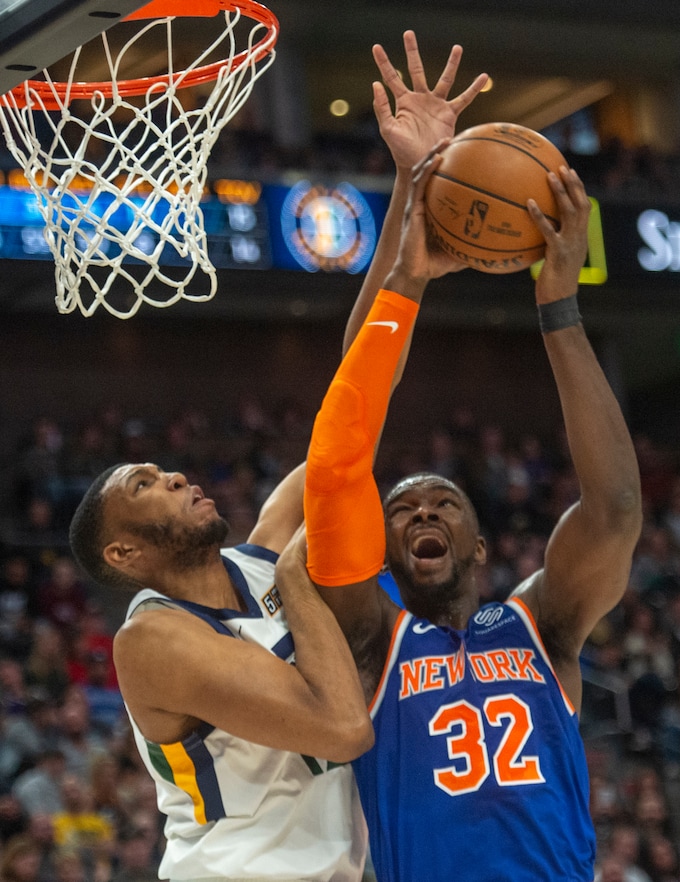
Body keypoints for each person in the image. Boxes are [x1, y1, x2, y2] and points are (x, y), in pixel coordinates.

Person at [67, 31, 489, 882]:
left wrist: (411, 198)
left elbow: (350, 412)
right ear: (123, 551)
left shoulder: (262, 553)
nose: (175, 475)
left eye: (164, 468)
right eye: (143, 485)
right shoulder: (151, 639)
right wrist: (300, 579)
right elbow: (341, 729)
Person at [302, 139, 643, 878]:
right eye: (402, 509)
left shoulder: (540, 626)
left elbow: (614, 507)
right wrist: (404, 281)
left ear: (482, 545)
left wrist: (559, 308)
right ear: (381, 551)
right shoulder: (368, 639)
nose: (423, 511)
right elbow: (342, 445)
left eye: (445, 503)